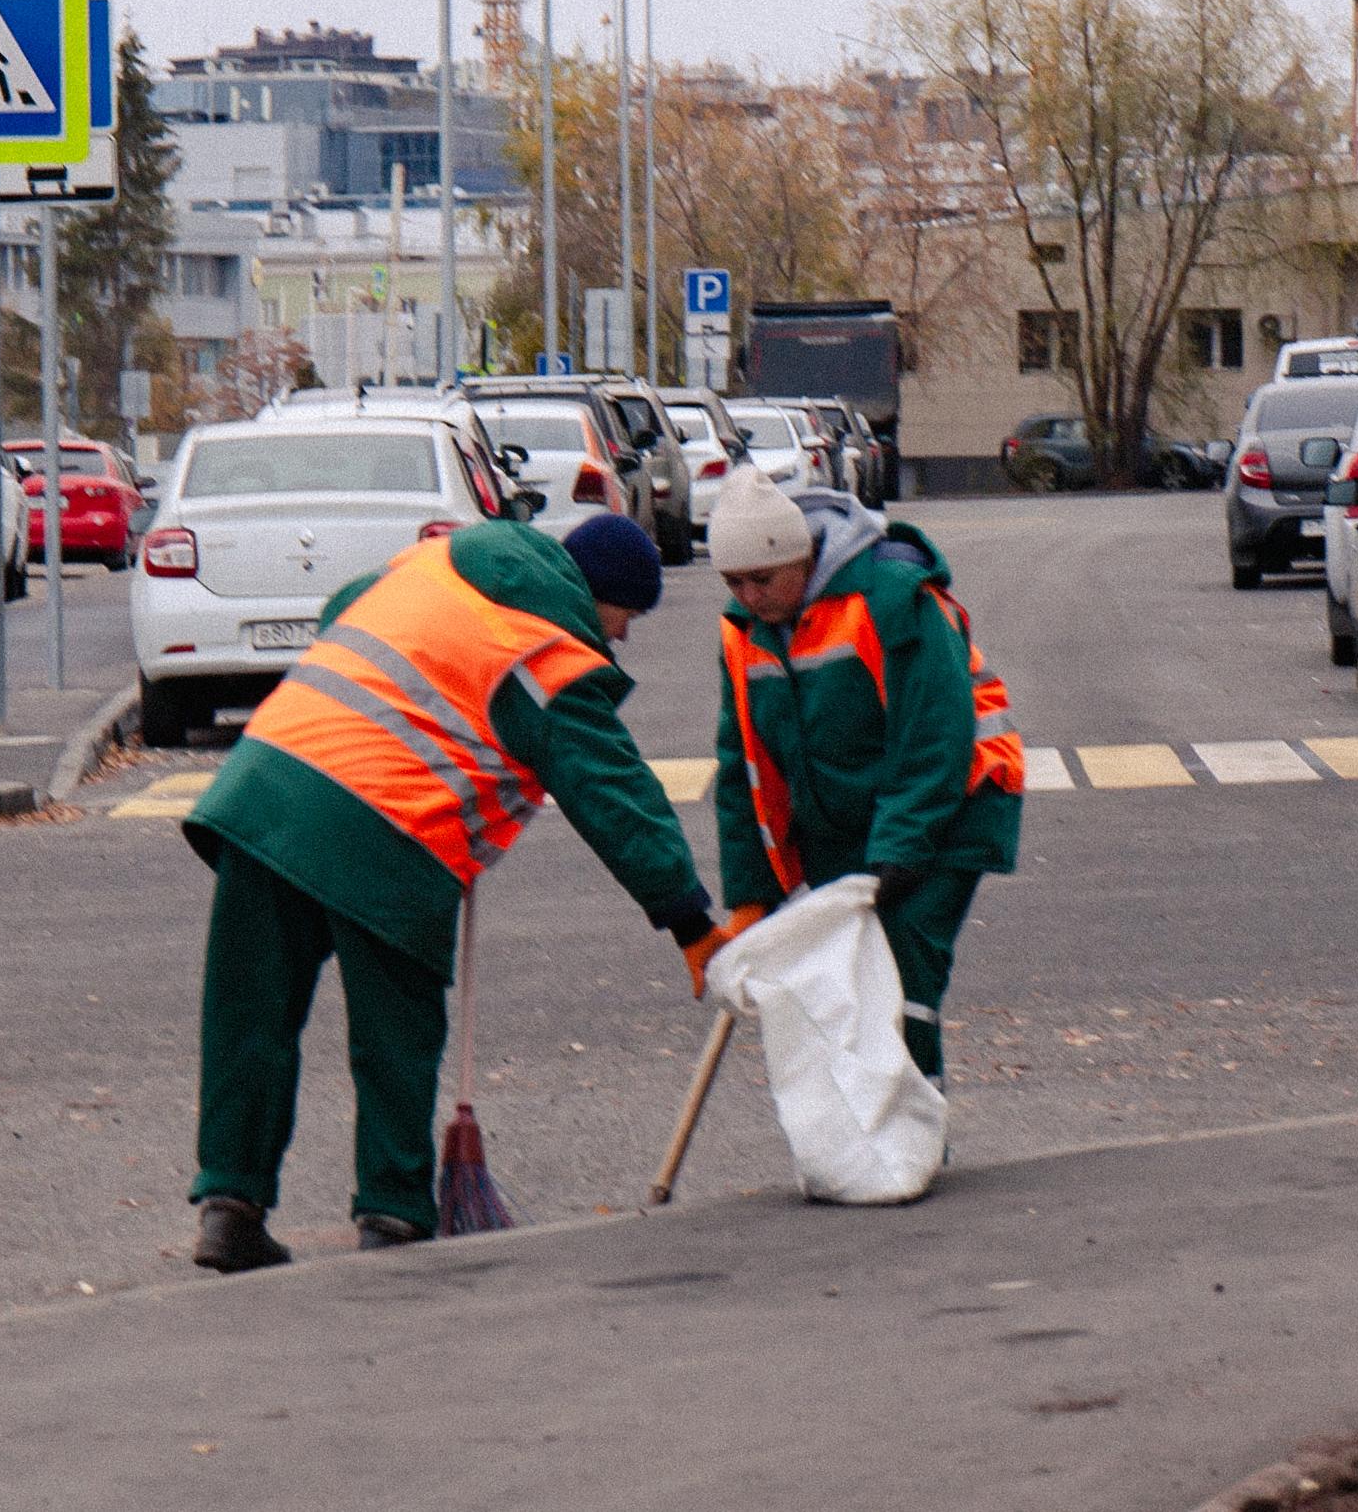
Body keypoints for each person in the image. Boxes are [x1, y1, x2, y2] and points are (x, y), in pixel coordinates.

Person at [182, 514, 715, 1272]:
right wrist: (689, 917)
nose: (622, 636)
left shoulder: (434, 565)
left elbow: (345, 606)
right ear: (599, 596)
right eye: (626, 614)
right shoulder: (542, 649)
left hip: (266, 786)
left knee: (251, 1014)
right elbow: (613, 791)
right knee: (394, 1031)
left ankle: (230, 1206)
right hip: (386, 821)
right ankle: (393, 1211)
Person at [698, 465, 1023, 1085]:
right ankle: (865, 1140)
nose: (750, 597)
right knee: (844, 980)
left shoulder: (893, 597)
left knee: (902, 972)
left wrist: (899, 847)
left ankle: (912, 1132)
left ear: (803, 556)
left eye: (762, 579)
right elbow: (742, 767)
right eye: (733, 582)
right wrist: (750, 893)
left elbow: (934, 735)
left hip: (957, 804)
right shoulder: (744, 631)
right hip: (848, 821)